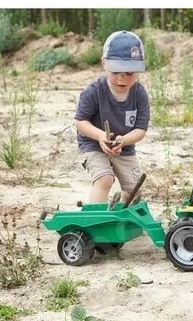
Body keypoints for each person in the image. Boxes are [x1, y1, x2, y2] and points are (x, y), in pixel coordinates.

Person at [74, 30, 149, 204]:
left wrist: (123, 140)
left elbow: (140, 130)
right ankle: (96, 222)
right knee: (105, 179)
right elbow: (80, 121)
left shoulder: (139, 94)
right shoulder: (93, 91)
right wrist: (100, 136)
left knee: (135, 187)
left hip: (124, 146)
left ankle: (123, 219)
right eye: (116, 71)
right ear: (104, 63)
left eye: (130, 73)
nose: (122, 78)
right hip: (93, 144)